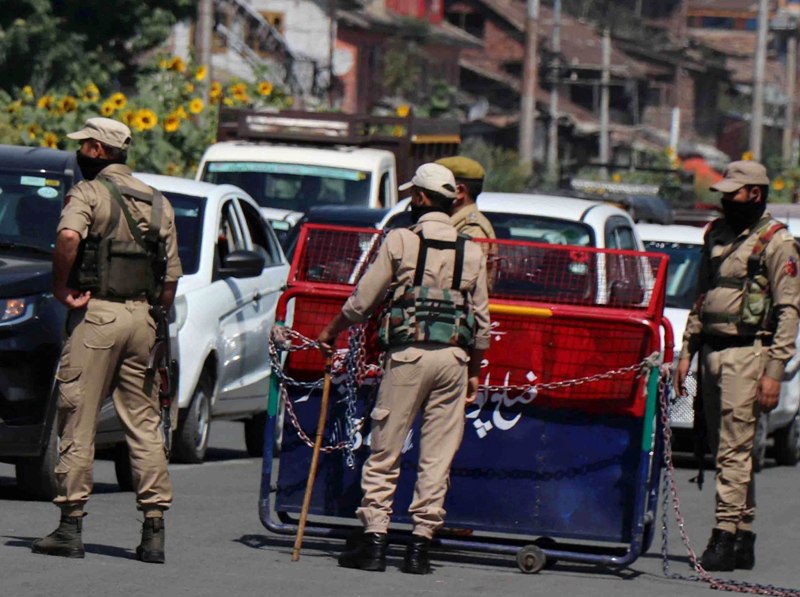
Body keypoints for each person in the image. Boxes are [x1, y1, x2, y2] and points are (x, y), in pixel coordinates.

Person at [317, 163, 491, 574]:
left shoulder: (401, 240)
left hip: (407, 358)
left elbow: (363, 301)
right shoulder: (472, 251)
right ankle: (419, 548)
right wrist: (474, 371)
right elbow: (481, 322)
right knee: (437, 457)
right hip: (453, 360)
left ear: (420, 198)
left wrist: (330, 331)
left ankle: (375, 542)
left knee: (386, 449)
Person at [31, 117, 183, 564]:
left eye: (85, 145)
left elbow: (68, 236)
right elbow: (171, 278)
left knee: (78, 418)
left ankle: (70, 525)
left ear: (98, 150)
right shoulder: (159, 203)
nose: (81, 152)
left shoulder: (89, 193)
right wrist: (154, 316)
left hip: (97, 315)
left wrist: (62, 288)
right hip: (142, 319)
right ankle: (154, 530)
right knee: (144, 423)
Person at [674, 160, 800, 572]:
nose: (726, 200)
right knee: (725, 447)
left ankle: (723, 536)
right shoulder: (716, 233)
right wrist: (686, 351)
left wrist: (774, 372)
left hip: (749, 354)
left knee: (734, 450)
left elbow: (789, 311)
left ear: (755, 194)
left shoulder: (777, 242)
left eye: (734, 193)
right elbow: (701, 297)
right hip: (713, 351)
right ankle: (743, 535)